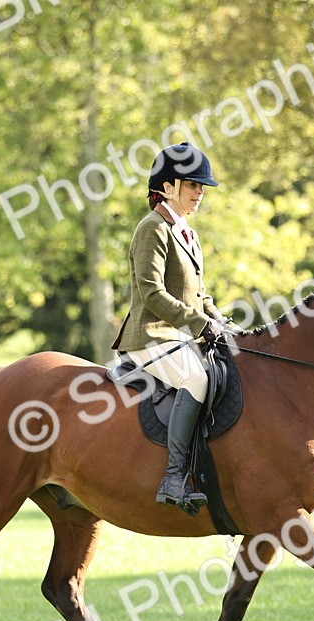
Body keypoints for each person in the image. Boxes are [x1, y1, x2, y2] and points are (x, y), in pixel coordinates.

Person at [111, 142, 237, 515]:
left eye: (202, 187)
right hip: (150, 335)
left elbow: (199, 294)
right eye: (193, 185)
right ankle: (174, 476)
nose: (200, 193)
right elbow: (151, 293)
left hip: (179, 335)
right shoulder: (152, 228)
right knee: (195, 380)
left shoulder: (187, 233)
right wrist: (200, 324)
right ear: (167, 187)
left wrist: (222, 322)